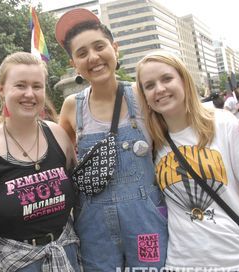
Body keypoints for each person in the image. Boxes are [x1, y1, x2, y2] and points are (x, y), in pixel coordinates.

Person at [56, 9, 168, 270]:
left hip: (145, 220)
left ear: (115, 48)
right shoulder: (72, 106)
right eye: (82, 53)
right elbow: (60, 158)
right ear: (74, 63)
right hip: (94, 228)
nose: (93, 57)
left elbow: (186, 120)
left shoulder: (143, 96)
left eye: (99, 47)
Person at [136, 50, 239, 270]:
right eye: (149, 85)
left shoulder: (224, 123)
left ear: (183, 80)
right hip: (181, 263)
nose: (160, 89)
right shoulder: (152, 142)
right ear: (144, 95)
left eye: (167, 79)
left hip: (238, 259)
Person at [0, 52, 80, 271]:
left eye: (37, 86)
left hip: (66, 255)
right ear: (1, 89)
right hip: (15, 263)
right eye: (20, 85)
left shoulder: (57, 134)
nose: (30, 94)